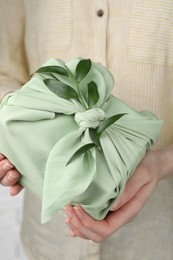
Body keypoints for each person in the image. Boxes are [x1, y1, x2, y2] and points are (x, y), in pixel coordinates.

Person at [0, 1, 173, 259]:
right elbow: (3, 72)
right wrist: (11, 137)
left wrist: (163, 162)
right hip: (49, 245)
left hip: (157, 239)